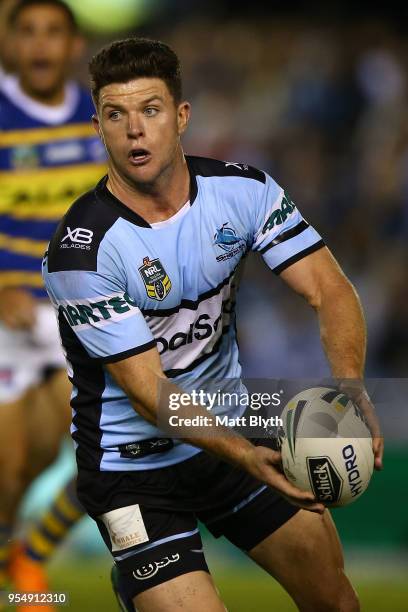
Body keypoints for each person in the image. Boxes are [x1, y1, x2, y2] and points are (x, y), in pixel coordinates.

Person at [43, 37, 383, 612]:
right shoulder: (83, 252)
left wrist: (349, 383)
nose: (134, 131)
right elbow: (152, 394)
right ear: (98, 127)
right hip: (132, 467)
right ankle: (141, 582)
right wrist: (245, 454)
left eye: (150, 110)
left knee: (336, 602)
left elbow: (330, 289)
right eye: (115, 115)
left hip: (232, 423)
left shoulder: (243, 192)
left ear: (181, 117)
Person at [0, 0, 106, 607]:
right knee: (14, 464)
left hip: (81, 308)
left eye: (53, 33)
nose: (41, 45)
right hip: (10, 313)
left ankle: (31, 557)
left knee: (117, 444)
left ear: (71, 46)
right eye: (29, 32)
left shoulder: (100, 119)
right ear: (13, 44)